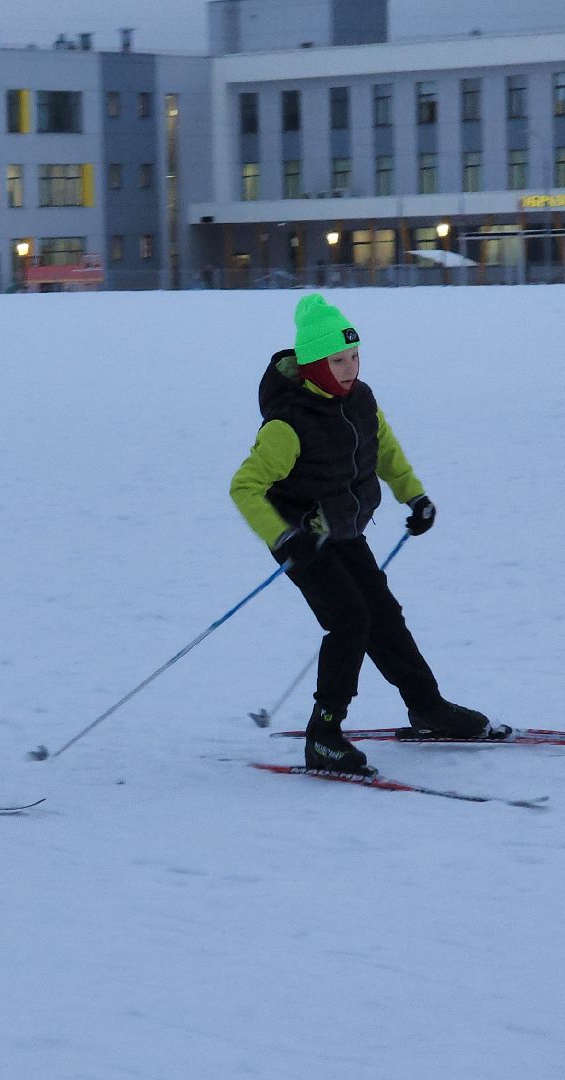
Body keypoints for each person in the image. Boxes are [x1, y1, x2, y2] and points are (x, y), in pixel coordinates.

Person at [229, 293, 508, 776]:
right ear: (314, 363)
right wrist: (282, 537)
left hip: (344, 528)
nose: (348, 368)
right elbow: (245, 487)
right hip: (302, 539)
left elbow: (385, 450)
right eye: (337, 360)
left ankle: (428, 708)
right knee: (350, 621)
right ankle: (325, 734)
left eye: (354, 356)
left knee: (384, 616)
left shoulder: (360, 400)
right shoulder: (288, 423)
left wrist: (414, 496)